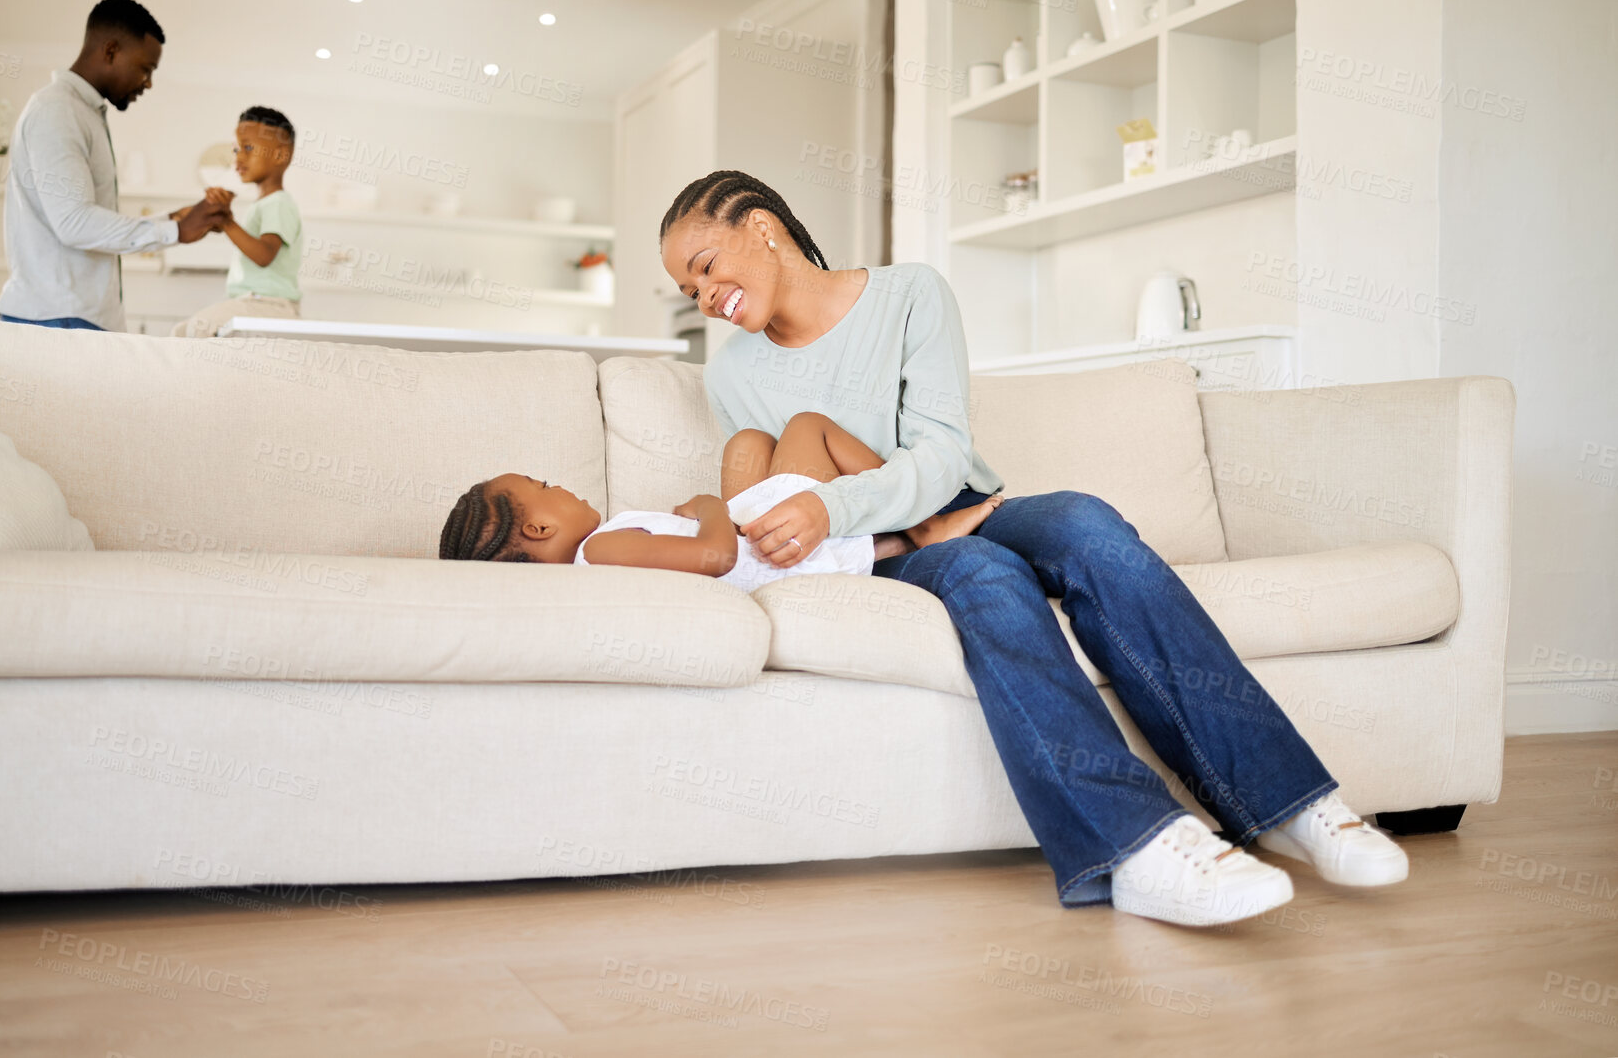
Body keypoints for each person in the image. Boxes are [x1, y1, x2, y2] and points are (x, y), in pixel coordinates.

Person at [659, 170, 1409, 928]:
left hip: (958, 502)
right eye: (688, 291)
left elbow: (941, 453)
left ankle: (1289, 802)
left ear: (760, 226)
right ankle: (1136, 848)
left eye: (703, 266)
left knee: (1084, 522)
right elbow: (767, 504)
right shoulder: (732, 374)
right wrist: (883, 528)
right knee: (983, 572)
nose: (702, 296)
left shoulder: (908, 293)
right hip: (872, 547)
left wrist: (840, 502)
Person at [437, 411, 1000, 592]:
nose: (555, 485)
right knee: (807, 427)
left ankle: (895, 538)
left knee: (747, 443)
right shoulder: (600, 551)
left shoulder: (601, 557)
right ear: (537, 531)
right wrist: (709, 505)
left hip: (769, 547)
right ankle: (923, 522)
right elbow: (716, 557)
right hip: (771, 548)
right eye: (542, 488)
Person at [0, 0, 229, 331]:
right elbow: (74, 222)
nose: (148, 83)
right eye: (146, 69)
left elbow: (85, 217)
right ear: (110, 51)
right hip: (55, 318)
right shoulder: (57, 110)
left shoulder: (82, 112)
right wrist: (174, 229)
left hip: (71, 316)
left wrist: (178, 218)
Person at [170, 107, 304, 339]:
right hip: (254, 303)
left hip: (270, 306)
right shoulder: (264, 204)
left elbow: (264, 255)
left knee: (196, 329)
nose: (238, 157)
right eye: (237, 148)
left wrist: (227, 222)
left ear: (281, 156)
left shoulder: (278, 203)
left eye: (248, 148)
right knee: (183, 332)